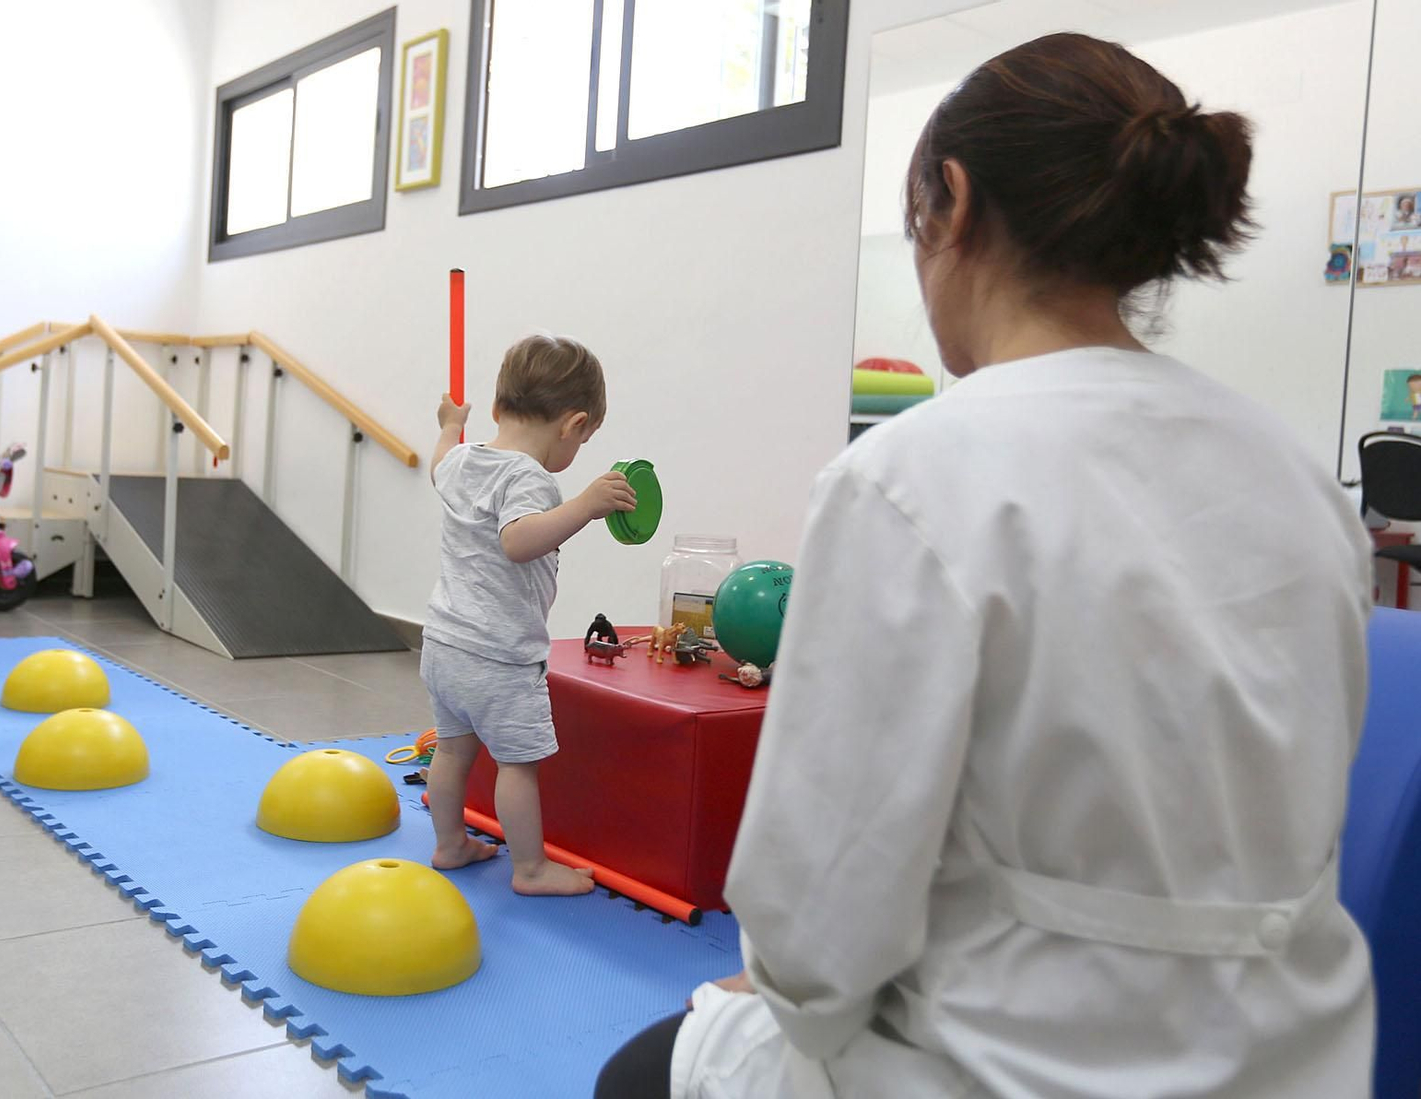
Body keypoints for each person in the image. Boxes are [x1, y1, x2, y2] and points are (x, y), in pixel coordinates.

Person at [598, 32, 1374, 1098]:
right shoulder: (1298, 480)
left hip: (1017, 1065)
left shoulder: (912, 474)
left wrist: (773, 991)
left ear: (951, 200)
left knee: (643, 1070)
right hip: (1297, 1057)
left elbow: (814, 925)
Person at [422, 334, 636, 896]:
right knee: (518, 765)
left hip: (444, 643)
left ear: (496, 410)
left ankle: (449, 843)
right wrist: (584, 506)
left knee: (451, 750)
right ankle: (531, 869)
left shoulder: (467, 458)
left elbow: (439, 466)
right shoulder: (529, 478)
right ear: (574, 424)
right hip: (499, 656)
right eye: (583, 440)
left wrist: (449, 424)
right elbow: (518, 540)